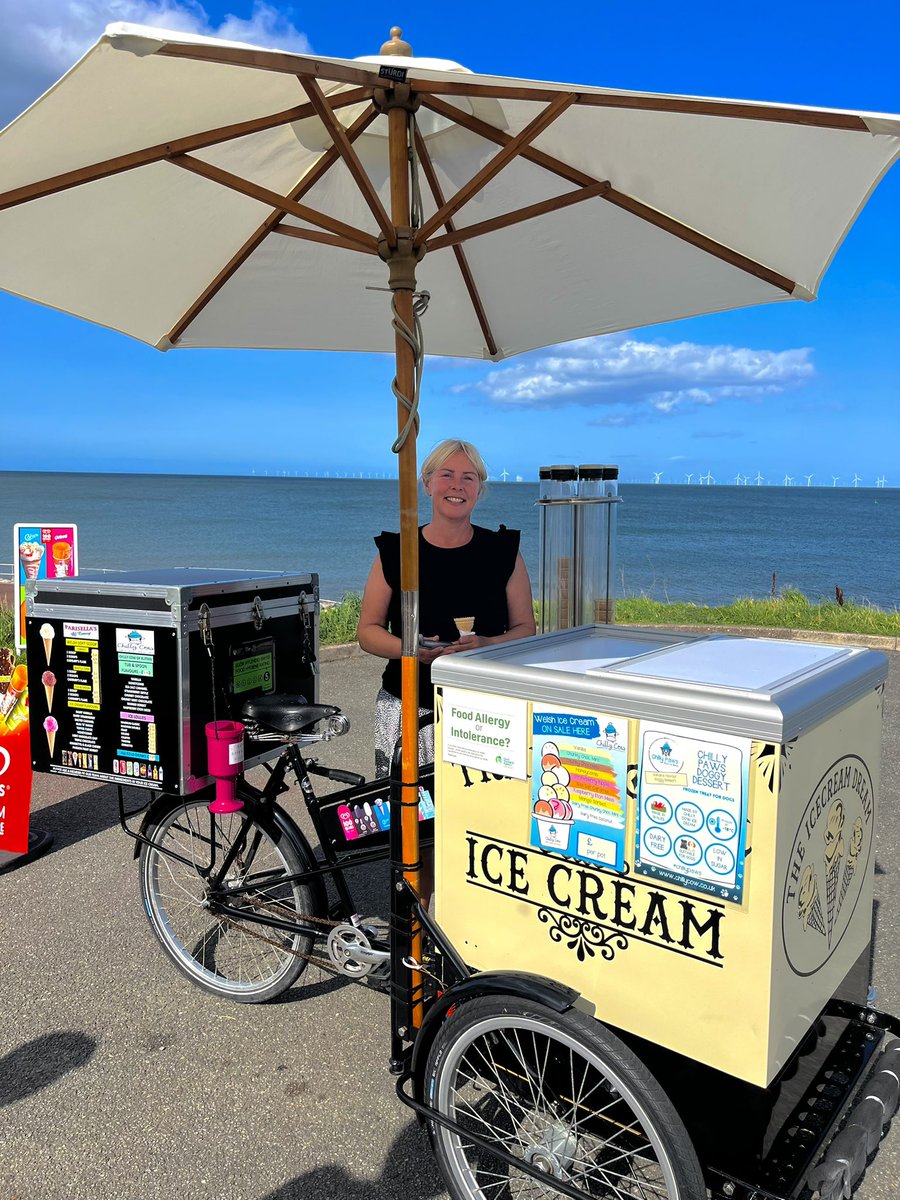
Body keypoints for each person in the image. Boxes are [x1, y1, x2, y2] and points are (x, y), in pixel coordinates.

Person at [357, 438, 536, 778]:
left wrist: (486, 644)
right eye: (447, 474)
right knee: (409, 821)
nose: (457, 485)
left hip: (486, 711)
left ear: (480, 489)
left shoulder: (503, 552)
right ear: (427, 484)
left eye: (469, 477)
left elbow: (526, 630)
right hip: (407, 707)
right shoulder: (396, 551)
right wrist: (411, 650)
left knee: (478, 817)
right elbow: (368, 632)